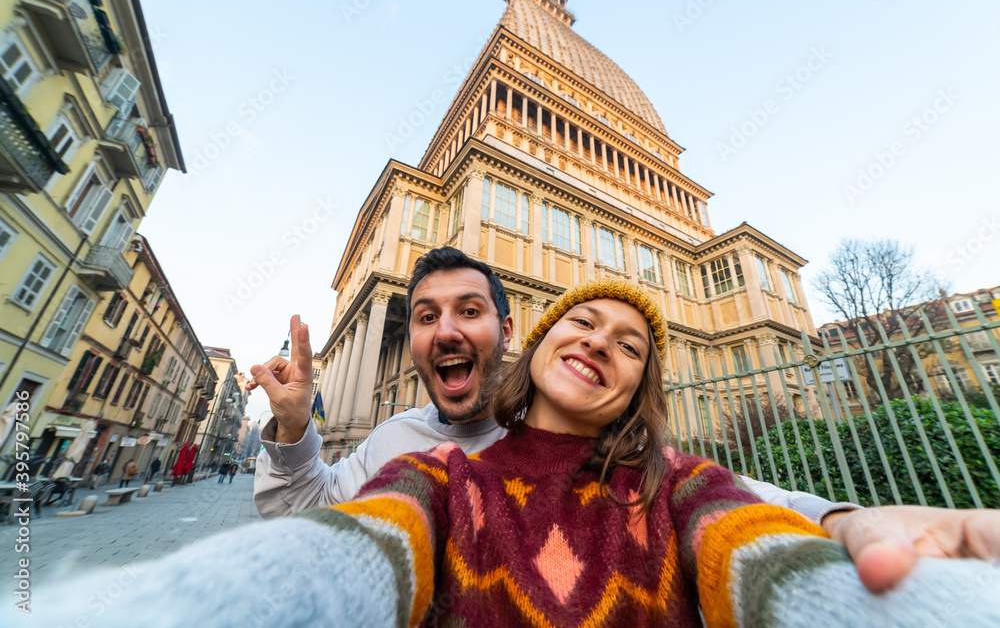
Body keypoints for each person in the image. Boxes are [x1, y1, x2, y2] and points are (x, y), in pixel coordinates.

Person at [17, 281, 1000, 626]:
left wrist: (842, 535)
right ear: (533, 353)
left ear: (638, 389)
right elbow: (349, 550)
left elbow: (758, 548)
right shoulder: (438, 468)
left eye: (629, 345)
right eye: (585, 324)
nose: (601, 344)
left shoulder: (677, 484)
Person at [252, 247, 1000, 592]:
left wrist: (843, 518)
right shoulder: (417, 459)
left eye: (470, 310)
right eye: (425, 316)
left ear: (514, 333)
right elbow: (337, 542)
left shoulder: (635, 475)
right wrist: (292, 431)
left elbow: (734, 505)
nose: (446, 330)